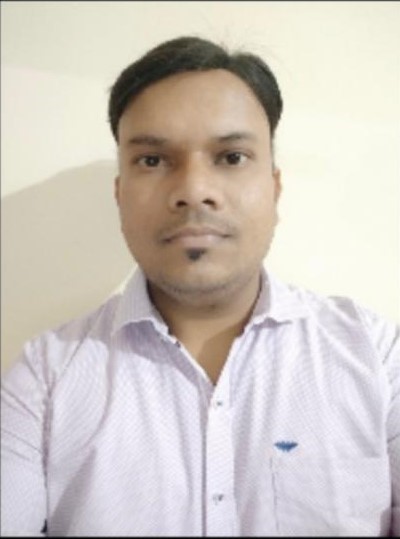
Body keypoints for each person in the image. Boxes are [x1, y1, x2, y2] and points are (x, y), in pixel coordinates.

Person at [1, 35, 399, 537]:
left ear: (275, 188)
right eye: (152, 160)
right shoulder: (44, 380)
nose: (193, 191)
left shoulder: (376, 356)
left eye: (231, 157)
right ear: (119, 194)